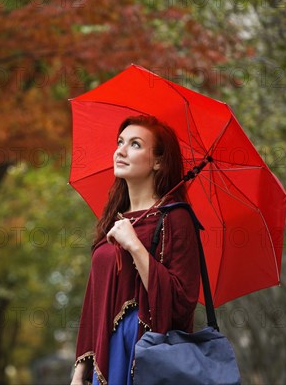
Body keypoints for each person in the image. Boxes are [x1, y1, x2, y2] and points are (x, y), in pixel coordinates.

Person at [70, 115, 201, 385]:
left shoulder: (176, 218)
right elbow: (95, 298)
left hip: (145, 351)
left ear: (159, 161)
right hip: (104, 353)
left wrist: (134, 245)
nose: (121, 150)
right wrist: (81, 370)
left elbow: (182, 304)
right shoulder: (112, 220)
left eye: (135, 144)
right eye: (120, 142)